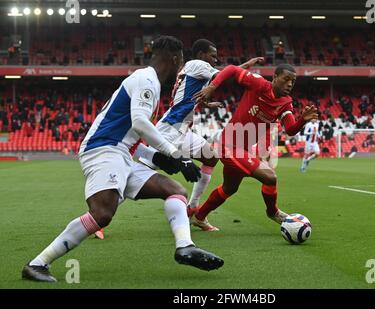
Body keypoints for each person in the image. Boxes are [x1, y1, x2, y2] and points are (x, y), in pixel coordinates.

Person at [21, 36, 224, 283]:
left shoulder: (150, 85)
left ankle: (185, 247)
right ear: (174, 59)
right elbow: (139, 123)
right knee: (102, 214)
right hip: (103, 150)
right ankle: (37, 264)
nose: (181, 71)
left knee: (175, 191)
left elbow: (132, 138)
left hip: (122, 153)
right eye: (180, 63)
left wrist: (159, 158)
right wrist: (174, 154)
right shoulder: (146, 79)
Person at [133, 39, 264, 215]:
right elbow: (224, 76)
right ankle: (101, 212)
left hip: (183, 130)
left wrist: (207, 104)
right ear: (202, 55)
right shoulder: (197, 64)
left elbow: (188, 96)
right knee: (140, 172)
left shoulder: (193, 70)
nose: (216, 60)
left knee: (210, 157)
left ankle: (192, 208)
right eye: (213, 56)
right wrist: (247, 65)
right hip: (170, 129)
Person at [191, 63, 318, 231]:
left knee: (230, 188)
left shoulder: (286, 103)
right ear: (275, 78)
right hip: (227, 145)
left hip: (241, 151)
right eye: (286, 79)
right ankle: (273, 212)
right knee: (270, 177)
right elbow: (231, 69)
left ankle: (199, 217)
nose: (289, 84)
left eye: (292, 81)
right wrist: (212, 87)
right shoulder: (258, 84)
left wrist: (302, 119)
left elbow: (290, 130)